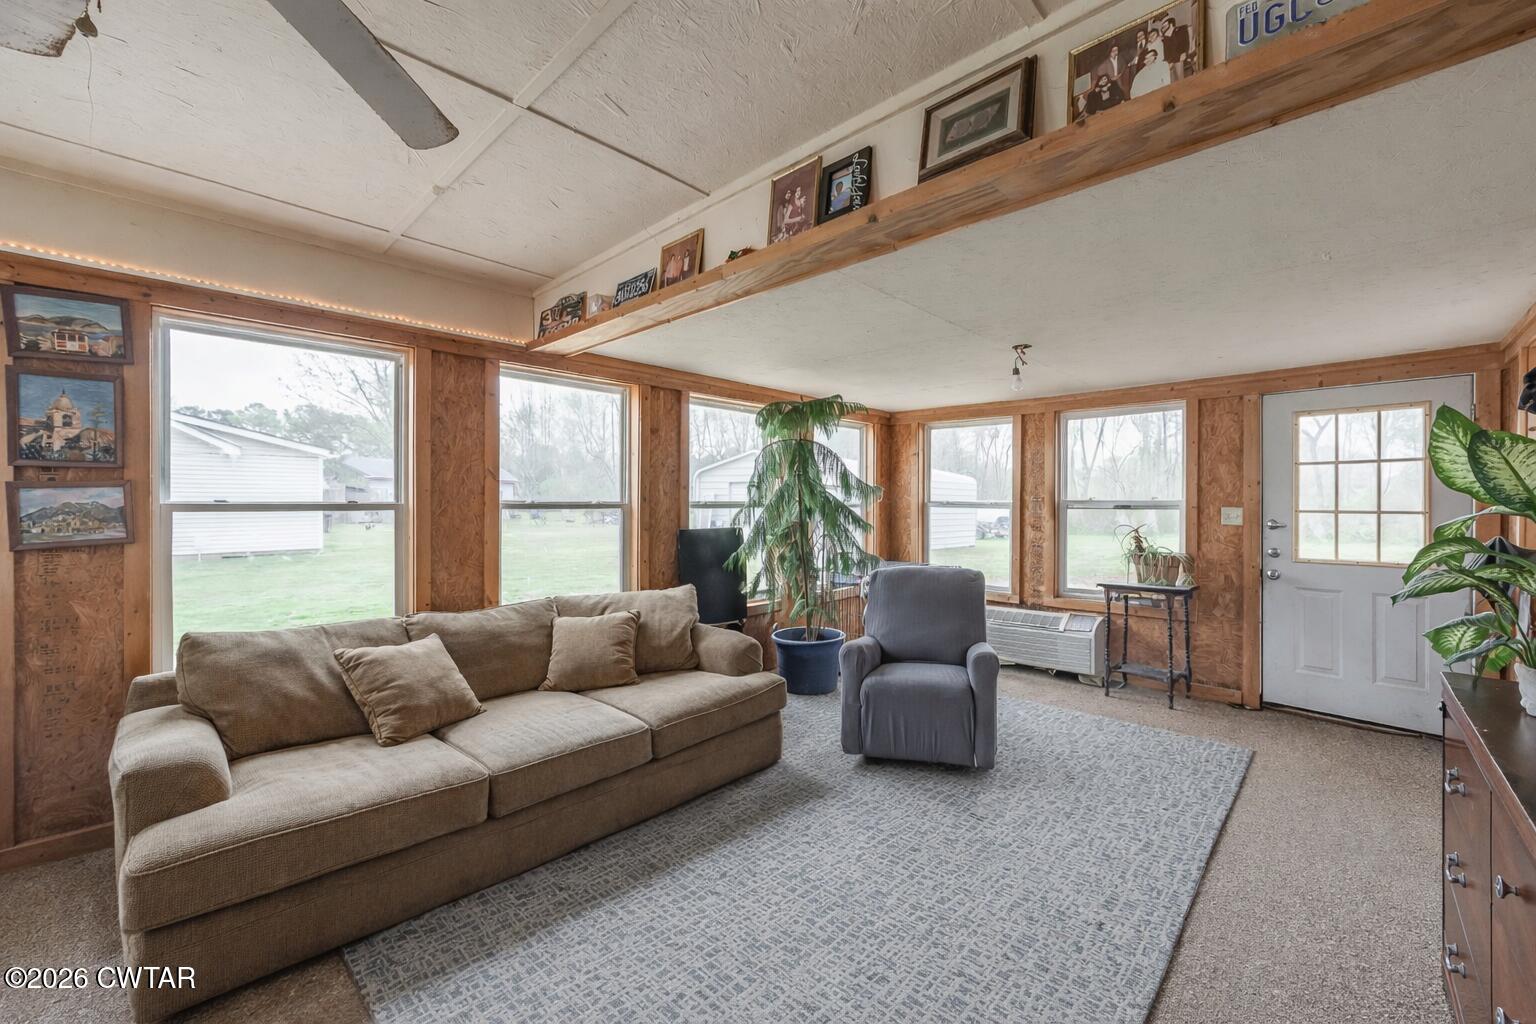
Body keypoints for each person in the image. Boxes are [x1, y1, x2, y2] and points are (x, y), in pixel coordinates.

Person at [1160, 14, 1193, 81]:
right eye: (1162, 27)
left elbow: (1186, 45)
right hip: (1173, 62)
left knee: (1178, 63)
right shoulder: (1165, 40)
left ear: (1171, 24)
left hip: (1184, 59)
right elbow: (1167, 57)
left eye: (1164, 25)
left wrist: (1185, 54)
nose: (1163, 28)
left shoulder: (1182, 29)